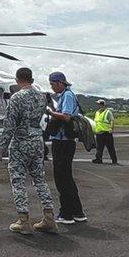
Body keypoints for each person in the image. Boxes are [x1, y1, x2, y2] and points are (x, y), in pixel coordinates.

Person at [0, 68, 58, 235]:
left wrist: (2, 146)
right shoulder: (41, 97)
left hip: (21, 142)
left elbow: (9, 125)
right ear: (31, 79)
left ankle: (24, 220)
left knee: (18, 181)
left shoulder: (16, 98)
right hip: (37, 141)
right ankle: (49, 217)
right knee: (40, 179)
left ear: (18, 80)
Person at [47, 71, 86, 224]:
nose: (52, 87)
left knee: (62, 178)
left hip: (63, 141)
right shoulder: (66, 95)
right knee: (67, 177)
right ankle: (77, 212)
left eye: (52, 84)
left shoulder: (67, 95)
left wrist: (50, 112)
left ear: (59, 83)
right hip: (64, 141)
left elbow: (67, 117)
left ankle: (66, 214)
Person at [92, 99, 118, 164]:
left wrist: (111, 129)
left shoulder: (108, 112)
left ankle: (114, 160)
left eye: (98, 104)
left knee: (110, 147)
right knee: (99, 148)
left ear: (102, 105)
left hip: (106, 133)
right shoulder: (97, 112)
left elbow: (111, 120)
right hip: (99, 133)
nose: (97, 106)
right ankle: (98, 159)